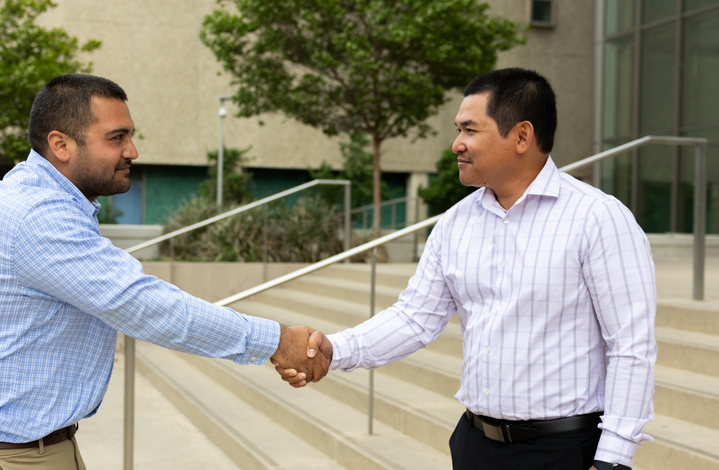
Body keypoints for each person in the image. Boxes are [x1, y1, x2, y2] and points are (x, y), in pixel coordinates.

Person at [0, 73, 328, 469]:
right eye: (117, 138)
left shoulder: (43, 198)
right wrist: (276, 341)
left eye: (130, 136)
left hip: (23, 448)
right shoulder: (36, 215)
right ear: (60, 144)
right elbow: (143, 305)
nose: (132, 151)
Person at [275, 68, 655, 470]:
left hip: (561, 451)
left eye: (470, 130)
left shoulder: (598, 218)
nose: (457, 144)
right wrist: (334, 350)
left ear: (522, 136)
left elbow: (631, 346)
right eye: (459, 130)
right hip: (475, 445)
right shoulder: (455, 223)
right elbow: (414, 318)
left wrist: (614, 459)